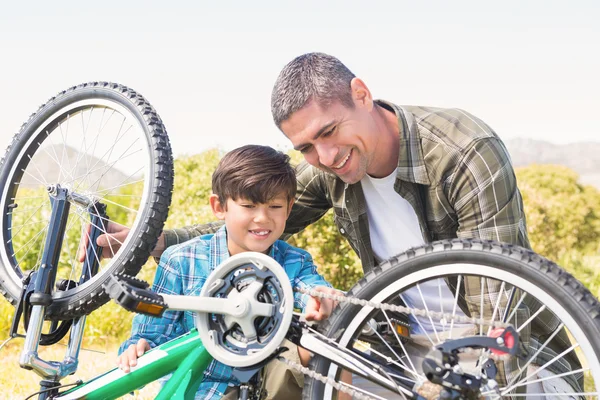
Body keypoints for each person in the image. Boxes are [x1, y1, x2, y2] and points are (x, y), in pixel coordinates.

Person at [101, 53, 581, 395]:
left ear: (362, 94)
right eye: (306, 148)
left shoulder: (461, 150)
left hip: (509, 350)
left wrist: (461, 383)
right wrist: (150, 241)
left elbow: (500, 305)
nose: (324, 156)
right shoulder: (330, 170)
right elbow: (251, 225)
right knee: (326, 382)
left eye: (328, 132)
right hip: (403, 349)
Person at [117, 145, 339, 400]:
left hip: (266, 382)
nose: (262, 218)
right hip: (203, 388)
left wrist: (318, 295)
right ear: (219, 206)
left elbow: (310, 288)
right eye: (248, 206)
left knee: (327, 340)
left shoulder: (294, 261)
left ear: (289, 208)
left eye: (274, 207)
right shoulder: (182, 260)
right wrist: (139, 347)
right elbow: (151, 333)